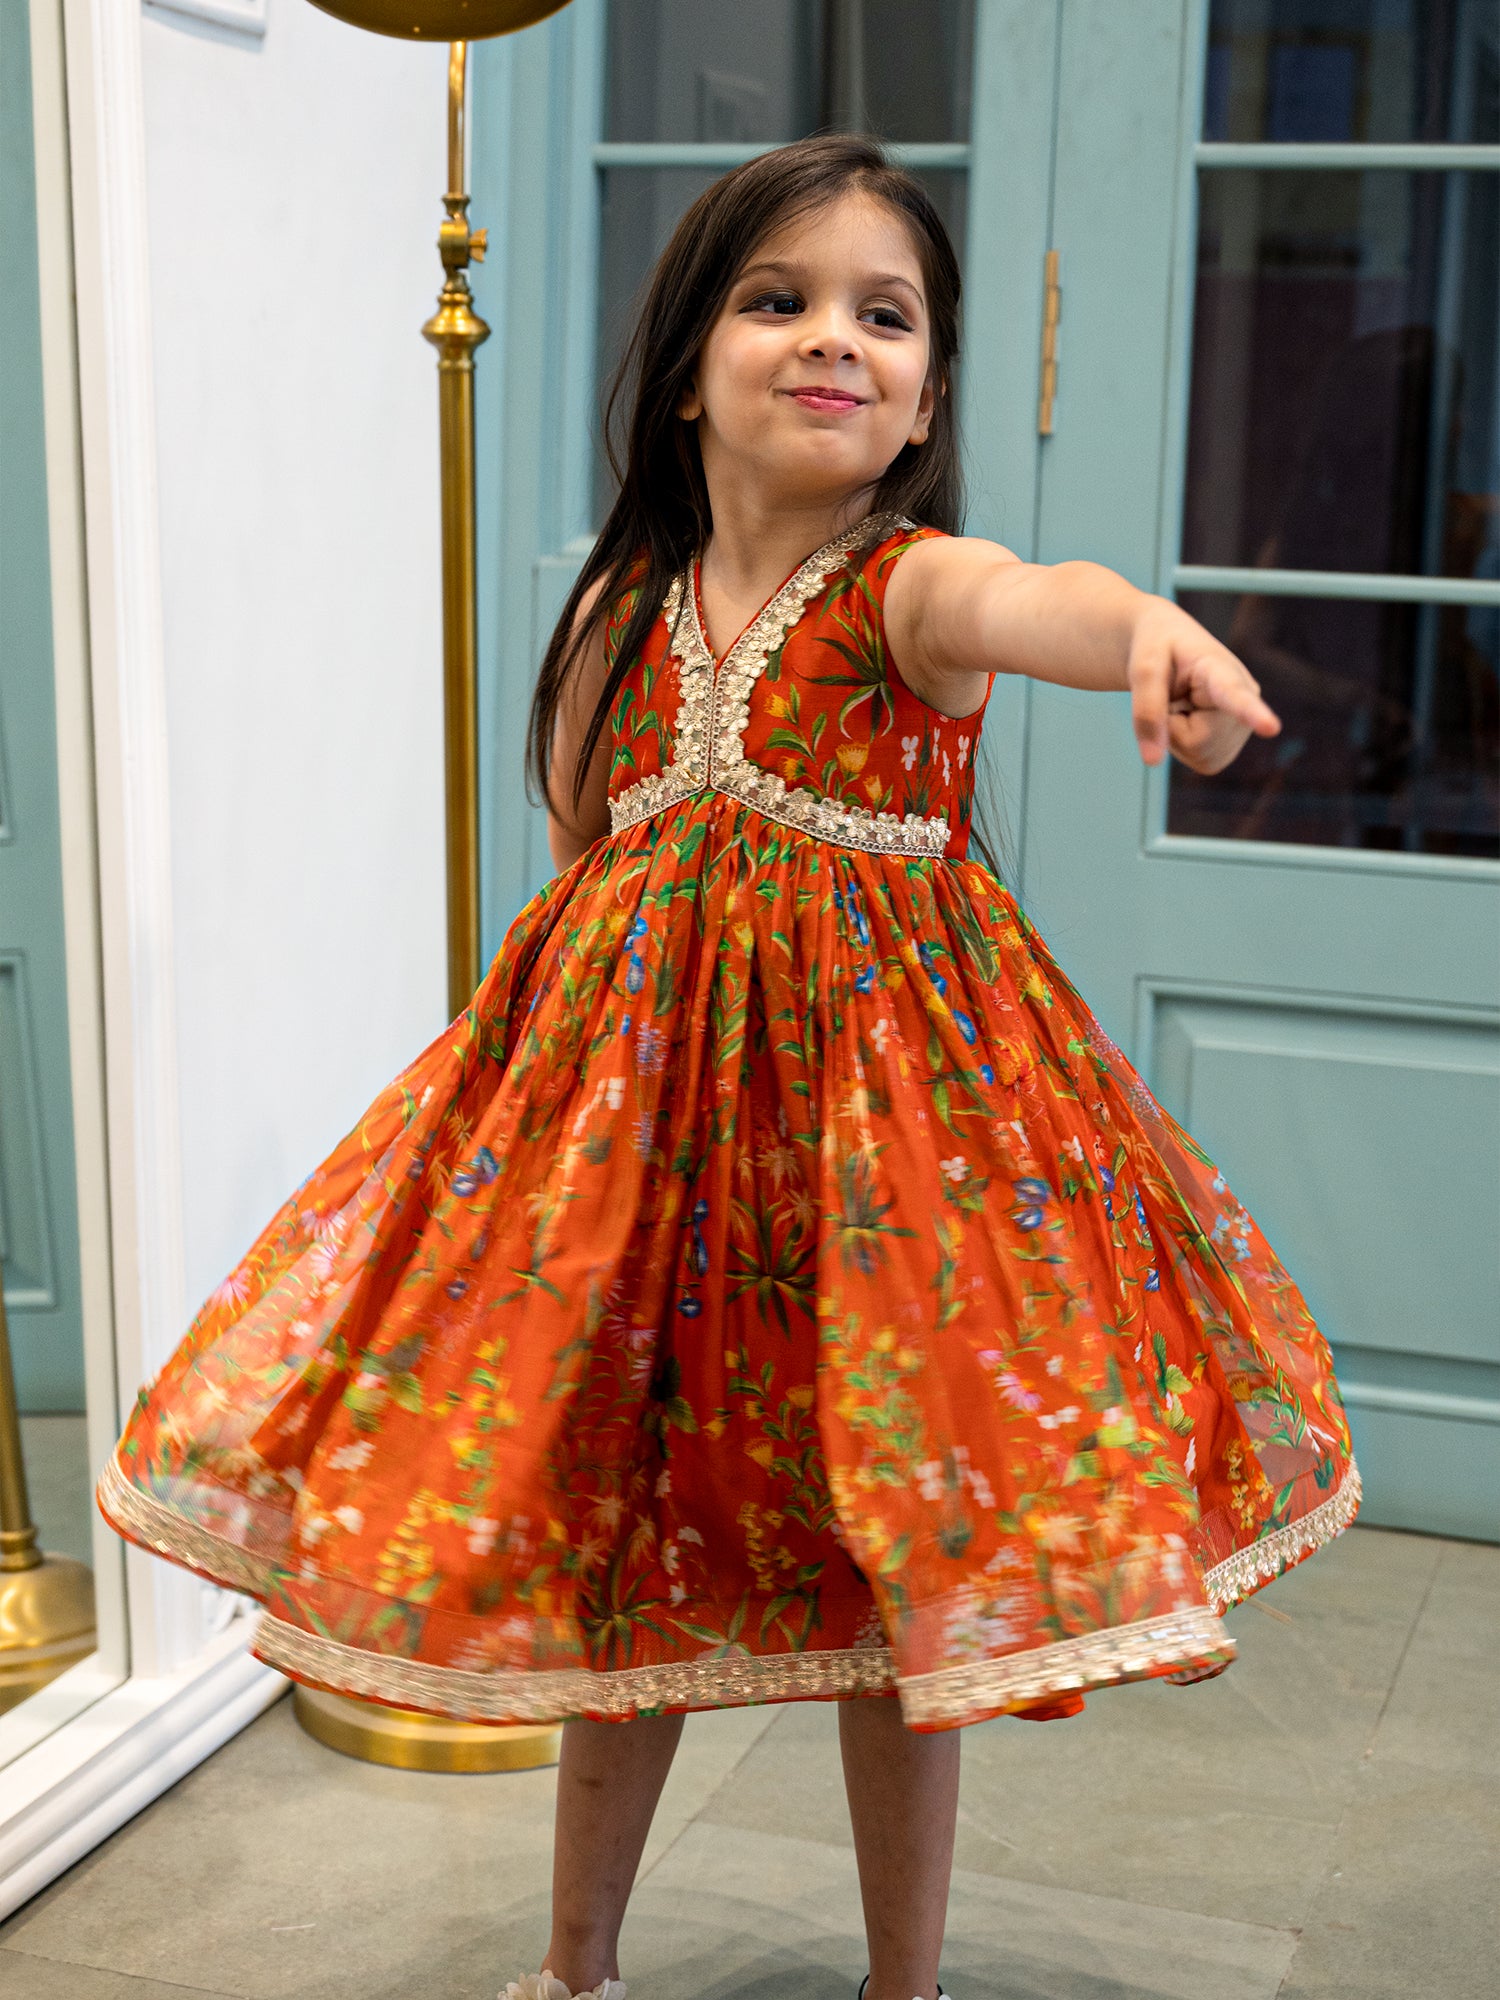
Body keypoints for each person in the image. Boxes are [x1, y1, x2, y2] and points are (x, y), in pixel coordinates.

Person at [97, 135, 1360, 2000]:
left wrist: (1145, 633)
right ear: (689, 353)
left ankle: (900, 1986)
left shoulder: (905, 595)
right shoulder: (622, 619)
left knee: (891, 1579)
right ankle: (574, 1967)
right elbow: (588, 879)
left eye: (885, 313)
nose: (832, 339)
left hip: (881, 1187)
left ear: (926, 395)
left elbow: (1040, 596)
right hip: (653, 1190)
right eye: (779, 299)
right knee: (626, 1572)